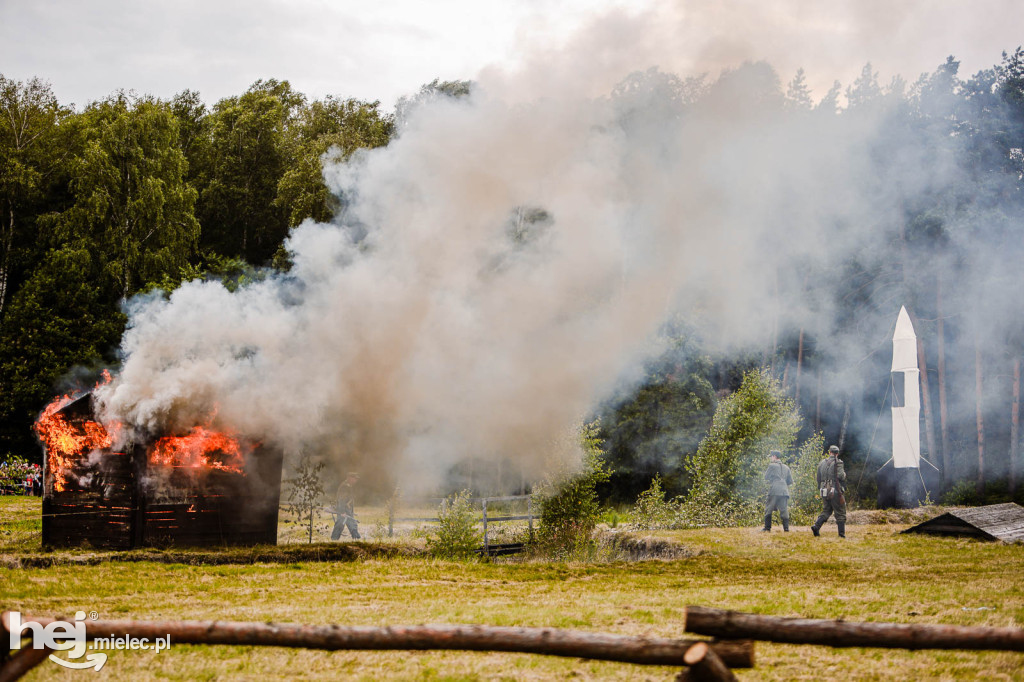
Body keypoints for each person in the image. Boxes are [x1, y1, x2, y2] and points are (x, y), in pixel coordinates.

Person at [811, 445, 847, 538]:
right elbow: (841, 476)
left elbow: (818, 478)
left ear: (829, 452)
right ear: (837, 454)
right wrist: (844, 474)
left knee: (826, 510)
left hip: (823, 490)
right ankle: (841, 535)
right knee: (840, 512)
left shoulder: (822, 463)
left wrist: (820, 487)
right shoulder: (838, 462)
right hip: (835, 490)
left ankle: (816, 526)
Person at [762, 450, 793, 532]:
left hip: (774, 490)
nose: (771, 458)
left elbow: (766, 477)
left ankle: (767, 528)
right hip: (784, 491)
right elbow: (790, 481)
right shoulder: (786, 467)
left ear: (774, 456)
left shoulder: (772, 466)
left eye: (771, 456)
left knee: (769, 508)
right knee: (784, 510)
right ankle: (786, 529)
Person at [331, 472, 361, 540]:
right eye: (354, 479)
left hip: (347, 510)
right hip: (344, 510)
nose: (356, 480)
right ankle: (357, 538)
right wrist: (342, 511)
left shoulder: (348, 486)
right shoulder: (345, 487)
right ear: (350, 478)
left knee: (345, 524)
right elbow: (341, 499)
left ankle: (334, 539)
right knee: (345, 524)